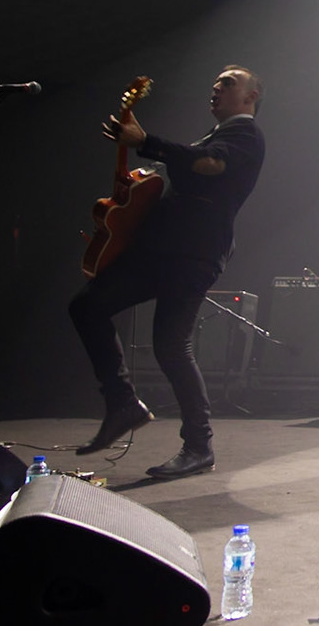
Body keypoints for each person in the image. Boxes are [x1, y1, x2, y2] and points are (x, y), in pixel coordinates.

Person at [69, 66, 266, 478]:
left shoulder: (245, 135)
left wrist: (146, 142)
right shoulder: (212, 136)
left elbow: (210, 165)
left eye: (228, 83)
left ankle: (199, 446)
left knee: (171, 346)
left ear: (251, 98)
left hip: (193, 255)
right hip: (160, 251)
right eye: (214, 81)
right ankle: (122, 402)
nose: (216, 87)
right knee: (87, 307)